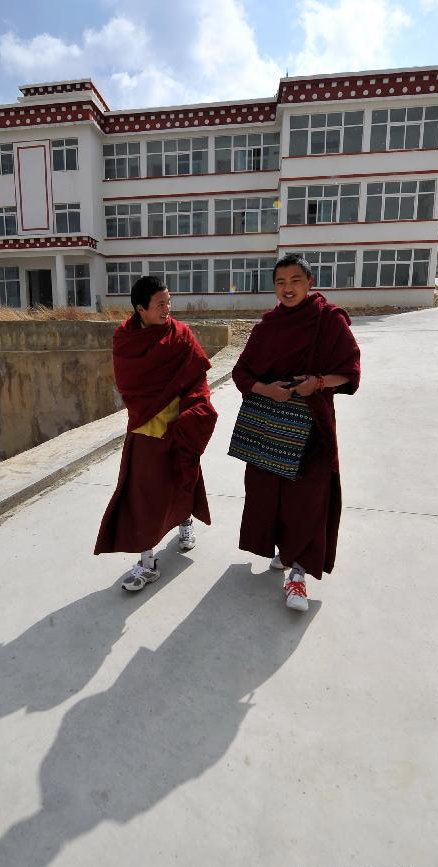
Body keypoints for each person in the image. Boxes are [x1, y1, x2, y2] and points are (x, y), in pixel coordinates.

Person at [231, 253, 361, 612]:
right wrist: (267, 389)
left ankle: (298, 576)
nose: (287, 289)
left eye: (295, 281)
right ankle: (283, 551)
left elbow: (349, 371)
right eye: (280, 282)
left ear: (309, 282)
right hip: (269, 427)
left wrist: (318, 382)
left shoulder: (328, 321)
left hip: (312, 429)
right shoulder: (267, 327)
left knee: (308, 500)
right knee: (268, 495)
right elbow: (242, 374)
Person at [95, 276, 218, 591]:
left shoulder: (181, 335)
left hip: (180, 427)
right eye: (160, 304)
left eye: (169, 302)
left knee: (182, 480)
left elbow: (196, 380)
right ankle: (147, 563)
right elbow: (129, 385)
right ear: (141, 309)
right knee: (143, 498)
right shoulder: (126, 341)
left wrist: (195, 411)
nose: (168, 309)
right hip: (147, 429)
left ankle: (185, 522)